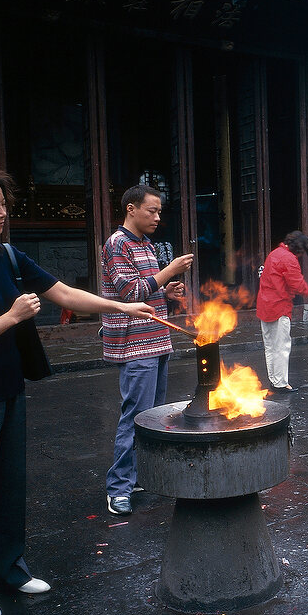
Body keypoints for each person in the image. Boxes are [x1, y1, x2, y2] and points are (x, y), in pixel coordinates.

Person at [0, 169, 155, 615]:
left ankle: (11, 569)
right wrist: (12, 317)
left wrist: (121, 305)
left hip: (9, 386)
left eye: (2, 201)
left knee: (11, 485)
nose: (2, 211)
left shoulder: (8, 256)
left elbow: (64, 292)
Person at [100, 185, 193, 516]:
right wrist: (169, 272)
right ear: (130, 209)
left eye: (159, 211)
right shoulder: (117, 244)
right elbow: (129, 293)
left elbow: (148, 292)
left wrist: (167, 291)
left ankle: (140, 477)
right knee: (135, 415)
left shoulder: (145, 245)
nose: (157, 217)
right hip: (135, 345)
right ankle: (118, 487)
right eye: (151, 210)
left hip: (157, 338)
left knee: (152, 416)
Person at [256, 231, 308, 391]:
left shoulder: (274, 254)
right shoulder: (289, 259)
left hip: (265, 305)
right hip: (279, 306)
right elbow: (296, 284)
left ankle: (274, 380)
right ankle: (281, 383)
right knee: (281, 346)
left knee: (270, 346)